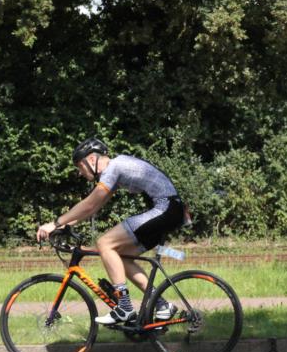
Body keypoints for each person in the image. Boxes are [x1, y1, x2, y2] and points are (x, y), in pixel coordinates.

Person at [36, 138, 188, 325]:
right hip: (170, 210)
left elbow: (90, 203)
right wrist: (62, 226)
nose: (79, 172)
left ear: (91, 160)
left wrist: (55, 222)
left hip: (165, 208)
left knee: (104, 243)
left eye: (79, 166)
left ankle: (124, 307)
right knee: (121, 256)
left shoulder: (114, 167)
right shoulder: (115, 172)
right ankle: (162, 305)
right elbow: (92, 208)